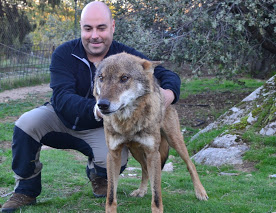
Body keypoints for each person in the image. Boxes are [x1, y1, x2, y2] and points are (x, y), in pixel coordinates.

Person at [1, 1, 180, 212]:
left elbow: (164, 73)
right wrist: (97, 109)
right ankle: (25, 190)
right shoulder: (64, 53)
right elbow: (61, 97)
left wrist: (169, 94)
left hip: (100, 127)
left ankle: (98, 174)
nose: (94, 35)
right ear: (81, 28)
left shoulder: (126, 56)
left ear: (112, 27)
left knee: (117, 158)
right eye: (88, 28)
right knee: (26, 124)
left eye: (101, 28)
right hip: (61, 117)